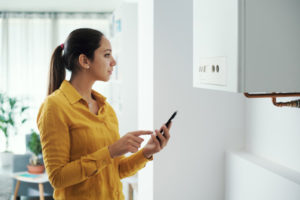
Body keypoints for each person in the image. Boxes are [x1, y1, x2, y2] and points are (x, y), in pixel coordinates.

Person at [36, 28, 171, 200]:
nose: (113, 62)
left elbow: (115, 171)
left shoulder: (106, 109)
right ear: (85, 61)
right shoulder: (55, 106)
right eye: (107, 55)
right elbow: (58, 178)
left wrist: (146, 152)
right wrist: (110, 151)